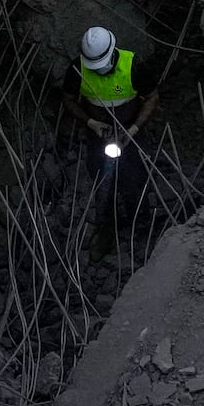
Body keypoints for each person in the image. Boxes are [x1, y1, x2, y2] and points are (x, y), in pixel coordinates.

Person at [63, 26, 161, 248]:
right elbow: (68, 98)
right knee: (102, 182)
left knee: (134, 180)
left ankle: (142, 228)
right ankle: (106, 231)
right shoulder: (78, 68)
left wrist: (134, 129)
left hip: (130, 131)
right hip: (99, 133)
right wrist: (91, 123)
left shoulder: (133, 65)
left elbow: (152, 96)